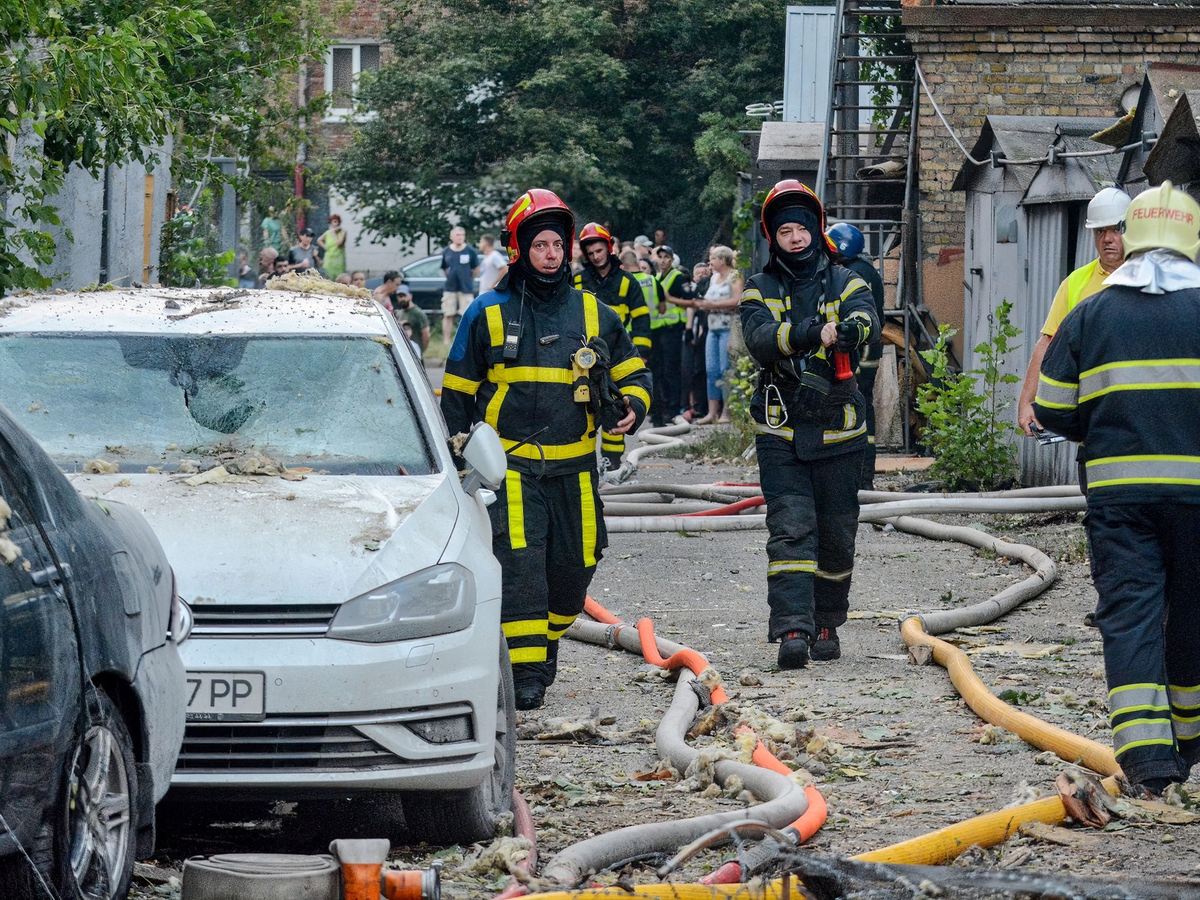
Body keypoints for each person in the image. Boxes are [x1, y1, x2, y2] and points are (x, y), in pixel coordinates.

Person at [441, 189, 652, 710]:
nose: (552, 254)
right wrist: (458, 461)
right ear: (520, 249)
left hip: (575, 468)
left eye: (558, 244)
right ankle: (526, 672)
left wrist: (632, 405)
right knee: (520, 567)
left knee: (575, 566)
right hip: (508, 467)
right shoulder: (487, 312)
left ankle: (546, 642)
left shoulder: (594, 313)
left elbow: (634, 372)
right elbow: (457, 395)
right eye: (540, 245)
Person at [1033, 180, 1200, 796]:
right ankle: (1190, 740)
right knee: (1192, 613)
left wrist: (1103, 419)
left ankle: (1148, 764)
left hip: (1120, 502)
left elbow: (1051, 409)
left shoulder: (1092, 311)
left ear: (1132, 239)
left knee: (1130, 615)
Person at [740, 179, 879, 669]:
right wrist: (812, 333)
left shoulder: (847, 280)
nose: (795, 238)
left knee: (837, 535)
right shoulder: (759, 287)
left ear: (816, 230)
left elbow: (868, 317)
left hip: (840, 431)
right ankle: (792, 629)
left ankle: (826, 623)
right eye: (785, 231)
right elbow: (759, 338)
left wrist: (852, 330)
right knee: (790, 530)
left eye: (801, 229)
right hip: (781, 430)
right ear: (773, 238)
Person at [1018, 187, 1132, 470]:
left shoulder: (1150, 276)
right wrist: (1027, 402)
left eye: (1115, 229)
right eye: (1099, 231)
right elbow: (1048, 343)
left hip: (1138, 416)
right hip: (1093, 421)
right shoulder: (1076, 283)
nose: (1107, 239)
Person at [575, 222, 652, 473]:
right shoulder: (577, 280)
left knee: (615, 408)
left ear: (609, 248)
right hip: (581, 358)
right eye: (590, 253)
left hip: (617, 356)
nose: (596, 257)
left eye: (599, 251)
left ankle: (612, 462)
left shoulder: (628, 282)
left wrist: (641, 356)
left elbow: (641, 320)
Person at [827, 223, 886, 488]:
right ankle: (862, 478)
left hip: (858, 353)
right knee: (863, 406)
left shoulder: (853, 273)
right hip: (868, 351)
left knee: (856, 408)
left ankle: (860, 479)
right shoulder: (867, 270)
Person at [693, 245, 742, 424]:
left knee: (725, 370)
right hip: (712, 328)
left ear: (723, 259)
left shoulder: (735, 276)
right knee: (711, 370)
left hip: (728, 328)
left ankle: (727, 411)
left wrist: (712, 305)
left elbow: (737, 300)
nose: (710, 261)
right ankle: (712, 412)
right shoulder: (714, 278)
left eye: (713, 258)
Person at [652, 245, 687, 423]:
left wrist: (669, 298)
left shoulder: (678, 277)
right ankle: (664, 407)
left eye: (667, 257)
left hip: (674, 328)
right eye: (660, 257)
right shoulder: (656, 278)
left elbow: (690, 301)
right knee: (661, 369)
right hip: (660, 329)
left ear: (672, 259)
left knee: (671, 370)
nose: (663, 260)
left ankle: (674, 408)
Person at [441, 226, 480, 342]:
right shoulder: (446, 251)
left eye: (462, 235)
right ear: (451, 237)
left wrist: (469, 279)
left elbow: (477, 268)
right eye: (458, 235)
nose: (460, 237)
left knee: (466, 315)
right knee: (448, 314)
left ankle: (465, 339)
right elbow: (443, 268)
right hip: (450, 288)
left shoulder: (470, 251)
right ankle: (446, 340)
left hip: (466, 288)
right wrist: (449, 278)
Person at [683, 260, 711, 422]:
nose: (701, 276)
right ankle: (696, 406)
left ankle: (704, 407)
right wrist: (688, 330)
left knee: (704, 370)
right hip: (696, 332)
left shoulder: (710, 286)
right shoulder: (693, 289)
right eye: (698, 274)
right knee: (694, 370)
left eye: (704, 273)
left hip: (707, 329)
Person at [318, 214, 348, 280]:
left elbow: (339, 243)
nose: (334, 224)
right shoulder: (328, 232)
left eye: (336, 221)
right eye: (333, 222)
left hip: (338, 258)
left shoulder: (343, 232)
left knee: (338, 276)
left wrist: (334, 233)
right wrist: (326, 247)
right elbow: (319, 240)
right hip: (329, 258)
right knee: (327, 275)